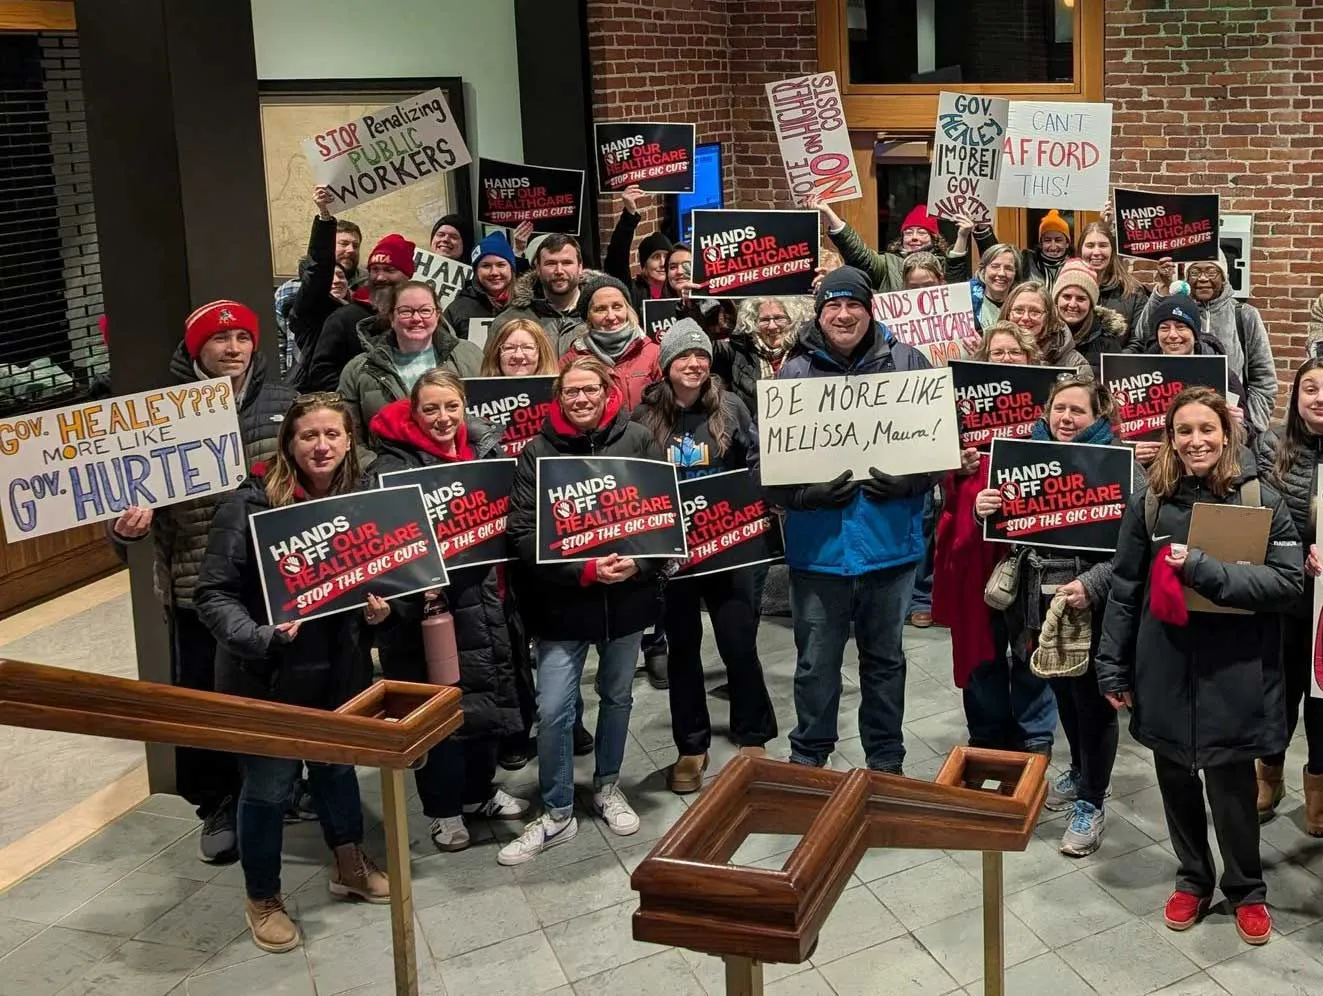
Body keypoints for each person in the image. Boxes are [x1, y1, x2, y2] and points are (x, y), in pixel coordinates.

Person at [1096, 387, 1302, 945]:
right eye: (1183, 431)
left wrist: (1205, 570)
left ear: (1226, 433)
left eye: (1206, 429)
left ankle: (1246, 889)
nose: (1196, 441)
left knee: (1230, 784)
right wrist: (1111, 664)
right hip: (1164, 663)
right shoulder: (1150, 500)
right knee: (1175, 778)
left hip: (1235, 666)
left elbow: (1288, 584)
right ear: (1170, 437)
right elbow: (1125, 588)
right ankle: (1193, 878)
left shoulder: (1262, 498)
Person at [194, 393, 390, 953]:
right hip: (266, 676)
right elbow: (213, 593)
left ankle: (349, 863)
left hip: (338, 671)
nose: (321, 446)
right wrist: (259, 637)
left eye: (332, 434)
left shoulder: (363, 500)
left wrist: (383, 610)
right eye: (309, 436)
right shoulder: (249, 504)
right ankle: (262, 895)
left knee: (335, 770)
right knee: (268, 789)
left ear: (349, 440)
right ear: (289, 443)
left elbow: (384, 581)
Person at [111, 300, 296, 865]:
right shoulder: (157, 417)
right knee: (204, 697)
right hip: (196, 582)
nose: (233, 348)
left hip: (274, 579)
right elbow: (120, 501)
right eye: (220, 339)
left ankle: (286, 785)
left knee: (283, 689)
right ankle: (218, 801)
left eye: (242, 336)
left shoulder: (285, 403)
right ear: (197, 349)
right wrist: (124, 530)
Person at [501, 357, 667, 865]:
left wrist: (638, 563)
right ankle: (555, 811)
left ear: (607, 390)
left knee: (617, 696)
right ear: (558, 396)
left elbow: (664, 514)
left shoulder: (638, 440)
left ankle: (608, 785)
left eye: (589, 389)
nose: (581, 399)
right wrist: (586, 571)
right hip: (562, 603)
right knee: (554, 709)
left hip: (626, 599)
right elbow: (523, 533)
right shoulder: (536, 453)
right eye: (570, 391)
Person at [767, 267, 933, 772]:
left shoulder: (908, 363)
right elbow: (766, 469)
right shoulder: (793, 374)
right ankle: (809, 757)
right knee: (816, 666)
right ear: (820, 314)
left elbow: (940, 446)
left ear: (870, 309)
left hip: (889, 547)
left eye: (853, 305)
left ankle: (886, 762)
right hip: (820, 553)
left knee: (885, 662)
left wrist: (915, 481)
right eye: (833, 307)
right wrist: (803, 494)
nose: (843, 315)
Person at [365, 371, 529, 851]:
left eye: (451, 407)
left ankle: (478, 794)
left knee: (486, 701)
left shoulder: (487, 450)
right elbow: (382, 541)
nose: (442, 418)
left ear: (465, 407)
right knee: (437, 712)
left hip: (487, 598)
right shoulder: (388, 466)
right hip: (428, 611)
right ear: (414, 412)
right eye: (431, 408)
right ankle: (443, 811)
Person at [972, 374, 1127, 857]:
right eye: (1059, 409)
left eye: (1078, 411)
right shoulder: (1022, 455)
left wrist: (1094, 585)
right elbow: (1006, 524)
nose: (1066, 418)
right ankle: (1080, 769)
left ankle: (1091, 802)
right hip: (1034, 600)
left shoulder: (1118, 464)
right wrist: (985, 508)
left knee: (1093, 702)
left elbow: (1135, 545)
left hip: (1087, 599)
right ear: (1046, 410)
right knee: (1058, 686)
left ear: (1099, 416)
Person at [632, 320, 778, 792]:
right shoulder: (644, 415)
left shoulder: (731, 404)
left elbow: (757, 460)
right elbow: (633, 478)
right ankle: (691, 746)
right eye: (683, 357)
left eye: (700, 356)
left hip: (727, 546)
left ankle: (753, 730)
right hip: (672, 555)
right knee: (683, 651)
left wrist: (755, 497)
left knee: (739, 642)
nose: (694, 364)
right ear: (667, 364)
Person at [933, 321, 1058, 759]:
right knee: (979, 644)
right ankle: (987, 732)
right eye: (997, 353)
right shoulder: (961, 411)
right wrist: (958, 468)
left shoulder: (1047, 409)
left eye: (1014, 353)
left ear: (1029, 360)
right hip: (975, 547)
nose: (1006, 359)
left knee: (1032, 642)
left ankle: (1034, 735)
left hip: (1032, 546)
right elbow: (939, 486)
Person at [1252, 358, 1323, 830]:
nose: (1320, 397)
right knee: (1277, 691)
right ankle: (1269, 775)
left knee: (1322, 699)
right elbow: (1258, 515)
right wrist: (1295, 556)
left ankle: (1318, 780)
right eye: (1311, 388)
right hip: (1282, 597)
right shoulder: (1272, 445)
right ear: (1296, 397)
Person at [1130, 254, 1276, 434]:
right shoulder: (1179, 310)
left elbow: (1264, 378)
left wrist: (1249, 427)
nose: (1203, 278)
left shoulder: (1244, 315)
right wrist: (1164, 289)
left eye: (1211, 271)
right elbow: (1145, 333)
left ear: (1223, 277)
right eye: (1195, 272)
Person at [338, 281, 483, 446]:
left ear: (437, 315)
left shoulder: (468, 354)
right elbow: (348, 436)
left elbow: (487, 416)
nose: (416, 318)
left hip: (459, 464)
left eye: (425, 310)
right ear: (391, 317)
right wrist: (375, 467)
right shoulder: (358, 369)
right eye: (406, 311)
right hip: (388, 467)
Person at [1132, 294, 1249, 468]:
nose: (1172, 335)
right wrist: (1133, 450)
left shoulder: (1221, 373)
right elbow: (1117, 431)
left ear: (1195, 333)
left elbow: (1248, 432)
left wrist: (1239, 424)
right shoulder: (1136, 374)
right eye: (1164, 328)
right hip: (1156, 469)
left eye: (1181, 327)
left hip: (1209, 470)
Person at [304, 234, 415, 392]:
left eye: (389, 270)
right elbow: (321, 373)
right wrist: (358, 397)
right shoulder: (343, 318)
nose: (380, 277)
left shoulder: (420, 318)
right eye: (374, 270)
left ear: (407, 275)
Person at [807, 195, 964, 292]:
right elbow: (858, 253)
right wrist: (828, 213)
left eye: (922, 233)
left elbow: (956, 269)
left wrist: (963, 235)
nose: (914, 237)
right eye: (908, 233)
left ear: (934, 238)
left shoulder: (944, 265)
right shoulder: (887, 265)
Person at [274, 190, 361, 360]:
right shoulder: (294, 290)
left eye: (355, 245)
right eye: (343, 243)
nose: (351, 250)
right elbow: (279, 341)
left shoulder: (365, 289)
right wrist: (324, 215)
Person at [560, 274, 662, 410]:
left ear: (627, 310)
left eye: (617, 306)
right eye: (600, 309)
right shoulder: (571, 360)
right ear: (588, 317)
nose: (611, 316)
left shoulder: (653, 353)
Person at [285, 187, 353, 388]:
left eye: (341, 275)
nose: (337, 281)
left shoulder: (357, 311)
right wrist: (325, 217)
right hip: (314, 393)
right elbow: (318, 271)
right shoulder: (307, 309)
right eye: (330, 277)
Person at [713, 296, 809, 421]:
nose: (772, 326)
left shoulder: (807, 350)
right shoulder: (738, 351)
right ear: (753, 322)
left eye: (779, 318)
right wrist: (687, 305)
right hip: (751, 436)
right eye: (764, 320)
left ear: (793, 320)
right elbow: (703, 346)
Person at [489, 234, 585, 352]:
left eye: (566, 263)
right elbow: (491, 369)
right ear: (538, 269)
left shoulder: (604, 314)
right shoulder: (509, 321)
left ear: (580, 267)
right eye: (550, 263)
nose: (559, 270)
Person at [1051, 259, 1125, 378]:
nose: (1072, 304)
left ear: (1091, 304)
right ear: (1056, 299)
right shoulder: (1043, 335)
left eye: (1081, 299)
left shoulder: (1108, 343)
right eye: (1067, 296)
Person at [604, 184, 672, 309]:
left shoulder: (677, 290)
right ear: (644, 265)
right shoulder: (633, 292)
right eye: (656, 257)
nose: (663, 263)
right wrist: (629, 216)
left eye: (666, 257)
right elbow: (616, 258)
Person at [1000, 281, 1090, 374]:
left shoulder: (1075, 364)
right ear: (1007, 314)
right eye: (1018, 310)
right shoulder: (989, 353)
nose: (1025, 317)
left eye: (1035, 312)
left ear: (1048, 317)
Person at [1078, 219, 1148, 334]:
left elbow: (1139, 339)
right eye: (1090, 246)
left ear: (1112, 250)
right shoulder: (1069, 291)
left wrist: (1114, 352)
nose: (1096, 252)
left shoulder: (1133, 292)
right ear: (1081, 249)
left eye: (1103, 245)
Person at [946, 225, 1020, 333]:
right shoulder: (968, 299)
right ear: (983, 270)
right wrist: (962, 236)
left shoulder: (1022, 303)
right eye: (995, 266)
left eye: (1009, 268)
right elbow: (955, 270)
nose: (1001, 273)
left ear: (1015, 273)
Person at [445, 233, 517, 341]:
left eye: (501, 265)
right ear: (476, 272)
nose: (494, 272)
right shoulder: (457, 309)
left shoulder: (529, 306)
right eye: (486, 266)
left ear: (511, 268)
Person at [479, 317, 559, 377]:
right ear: (496, 354)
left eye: (528, 347)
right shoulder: (478, 397)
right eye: (509, 348)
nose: (518, 356)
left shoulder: (560, 397)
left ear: (542, 354)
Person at [1025, 210, 1073, 286]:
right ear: (1041, 244)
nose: (1053, 247)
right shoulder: (1027, 263)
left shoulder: (1074, 267)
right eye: (1047, 240)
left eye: (1058, 240)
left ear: (1067, 243)